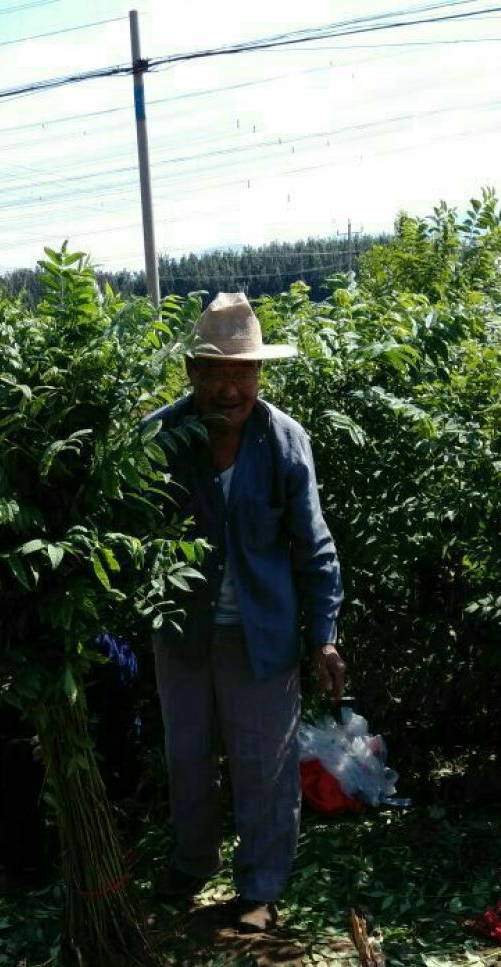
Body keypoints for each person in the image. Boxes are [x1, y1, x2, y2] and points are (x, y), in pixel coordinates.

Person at [149, 291, 345, 932]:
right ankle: (192, 863)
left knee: (265, 763)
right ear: (193, 375)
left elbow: (314, 546)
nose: (231, 389)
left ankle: (260, 887)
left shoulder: (286, 442)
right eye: (217, 374)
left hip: (261, 636)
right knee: (188, 756)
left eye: (244, 373)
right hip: (183, 631)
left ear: (259, 374)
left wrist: (323, 637)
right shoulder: (160, 436)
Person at [0, 634, 142, 884]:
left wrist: (67, 738)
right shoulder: (29, 645)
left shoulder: (104, 649)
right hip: (46, 738)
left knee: (21, 758)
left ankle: (28, 865)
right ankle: (5, 842)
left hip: (97, 750)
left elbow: (119, 718)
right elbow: (13, 706)